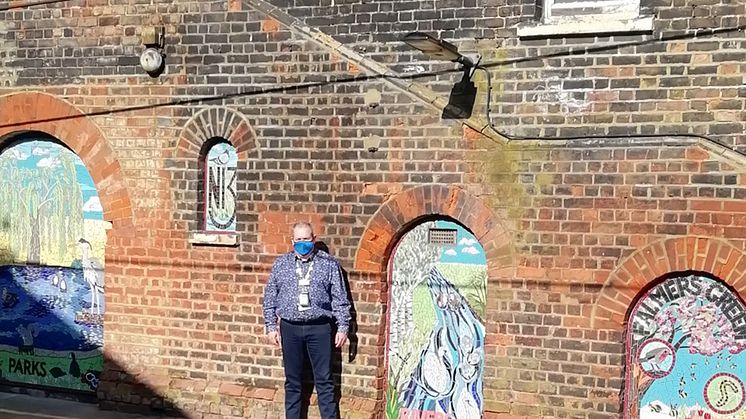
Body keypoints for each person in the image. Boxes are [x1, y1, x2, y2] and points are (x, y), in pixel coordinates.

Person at [262, 221, 352, 419]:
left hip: (319, 328)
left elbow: (340, 298)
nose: (303, 243)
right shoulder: (281, 264)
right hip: (290, 328)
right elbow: (270, 296)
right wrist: (270, 326)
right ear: (292, 240)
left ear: (314, 239)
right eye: (299, 239)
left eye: (306, 239)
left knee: (325, 382)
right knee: (292, 381)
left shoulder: (329, 264)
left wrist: (343, 327)